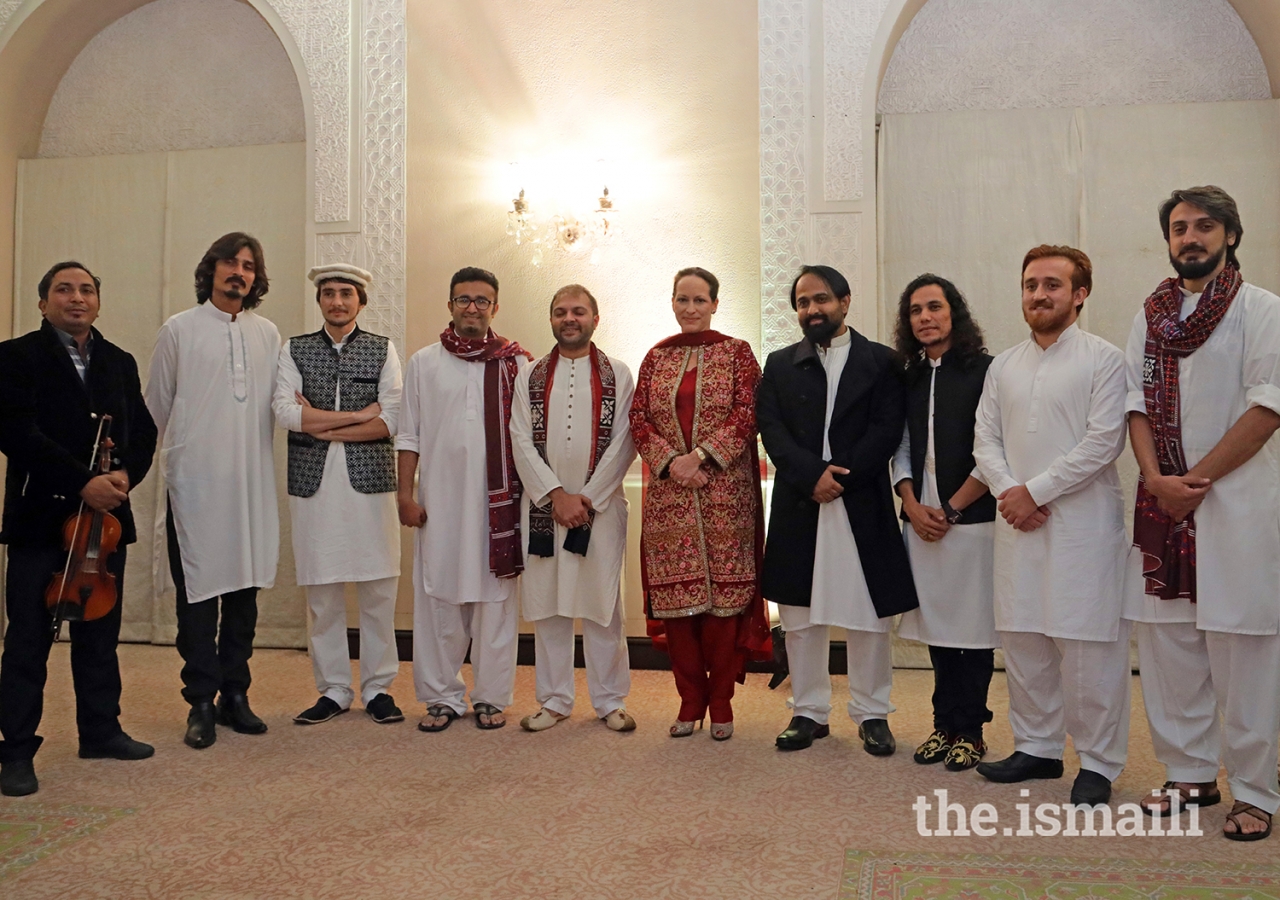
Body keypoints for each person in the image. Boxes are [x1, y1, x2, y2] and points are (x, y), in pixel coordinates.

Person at [1125, 186, 1280, 841]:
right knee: (1171, 649)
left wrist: (1196, 479)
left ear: (1230, 235)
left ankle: (1255, 790)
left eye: (1205, 226)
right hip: (1163, 506)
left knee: (1244, 651)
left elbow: (1268, 407)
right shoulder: (1151, 314)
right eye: (1180, 227)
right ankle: (1189, 773)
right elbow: (1133, 404)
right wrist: (1157, 480)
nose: (1190, 236)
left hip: (1235, 504)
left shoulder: (1261, 309)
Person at [972, 245, 1130, 806]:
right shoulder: (1004, 365)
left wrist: (1032, 492)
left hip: (1083, 526)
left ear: (1079, 294)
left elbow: (1104, 442)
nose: (1038, 295)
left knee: (1087, 647)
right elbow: (983, 440)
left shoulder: (1106, 359)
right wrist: (1012, 493)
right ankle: (1037, 747)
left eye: (1052, 285)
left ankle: (1097, 761)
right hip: (1018, 524)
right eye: (1030, 285)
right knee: (1024, 636)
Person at [0, 262, 158, 796]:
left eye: (87, 289)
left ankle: (101, 731)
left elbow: (144, 431)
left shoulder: (119, 361)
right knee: (27, 640)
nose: (77, 297)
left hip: (105, 524)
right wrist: (81, 481)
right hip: (41, 520)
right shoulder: (15, 356)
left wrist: (122, 475)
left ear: (98, 301)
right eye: (63, 289)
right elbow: (16, 433)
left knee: (99, 634)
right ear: (43, 303)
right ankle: (16, 751)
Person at [758, 264, 917, 755]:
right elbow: (772, 429)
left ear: (844, 302)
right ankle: (808, 711)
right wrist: (812, 477)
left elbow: (887, 429)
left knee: (868, 615)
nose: (812, 310)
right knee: (801, 617)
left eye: (821, 299)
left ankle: (872, 713)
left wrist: (839, 476)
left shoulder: (884, 362)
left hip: (860, 498)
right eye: (803, 303)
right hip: (800, 502)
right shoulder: (780, 364)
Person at [146, 232, 280, 750]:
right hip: (196, 487)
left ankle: (235, 696)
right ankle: (200, 701)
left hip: (249, 484)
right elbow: (156, 408)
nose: (239, 272)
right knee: (197, 598)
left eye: (249, 265)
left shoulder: (267, 333)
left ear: (255, 278)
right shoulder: (178, 329)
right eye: (230, 262)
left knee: (244, 593)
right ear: (212, 269)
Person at [630, 267, 770, 742]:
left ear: (714, 303)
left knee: (724, 608)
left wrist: (703, 456)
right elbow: (638, 418)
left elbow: (749, 411)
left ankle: (722, 703)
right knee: (679, 609)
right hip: (670, 497)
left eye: (699, 300)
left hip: (725, 495)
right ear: (672, 302)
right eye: (682, 299)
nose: (690, 308)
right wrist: (671, 462)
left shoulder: (737, 353)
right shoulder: (655, 357)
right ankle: (689, 701)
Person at [396, 266, 530, 732]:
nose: (472, 307)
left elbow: (531, 443)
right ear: (450, 304)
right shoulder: (423, 362)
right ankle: (441, 697)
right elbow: (408, 435)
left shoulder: (518, 363)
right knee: (439, 599)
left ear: (495, 307)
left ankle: (491, 697)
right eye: (463, 299)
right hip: (441, 506)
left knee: (496, 603)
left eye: (481, 300)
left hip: (500, 509)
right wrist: (404, 494)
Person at [274, 264, 404, 727]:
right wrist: (354, 417)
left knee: (377, 591)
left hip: (369, 487)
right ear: (320, 301)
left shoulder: (383, 350)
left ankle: (378, 689)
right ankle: (332, 689)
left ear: (360, 302)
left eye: (346, 293)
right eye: (328, 294)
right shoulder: (295, 349)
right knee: (322, 594)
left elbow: (390, 420)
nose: (337, 301)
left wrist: (323, 423)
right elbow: (286, 413)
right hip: (313, 487)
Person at [509, 284, 638, 733]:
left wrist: (586, 498)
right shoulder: (529, 375)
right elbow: (519, 438)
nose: (570, 318)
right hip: (544, 509)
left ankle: (609, 700)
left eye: (578, 311)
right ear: (551, 320)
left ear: (595, 319)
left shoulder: (619, 373)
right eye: (561, 311)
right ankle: (555, 699)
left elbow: (626, 440)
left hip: (598, 510)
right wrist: (555, 495)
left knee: (603, 605)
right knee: (549, 606)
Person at [891, 274, 997, 771]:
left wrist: (952, 509)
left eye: (934, 307)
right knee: (937, 628)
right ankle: (943, 725)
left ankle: (971, 731)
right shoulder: (908, 375)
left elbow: (996, 451)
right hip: (922, 519)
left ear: (954, 311)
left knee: (972, 631)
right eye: (916, 311)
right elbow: (904, 448)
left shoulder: (987, 371)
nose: (925, 318)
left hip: (972, 521)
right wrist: (911, 504)